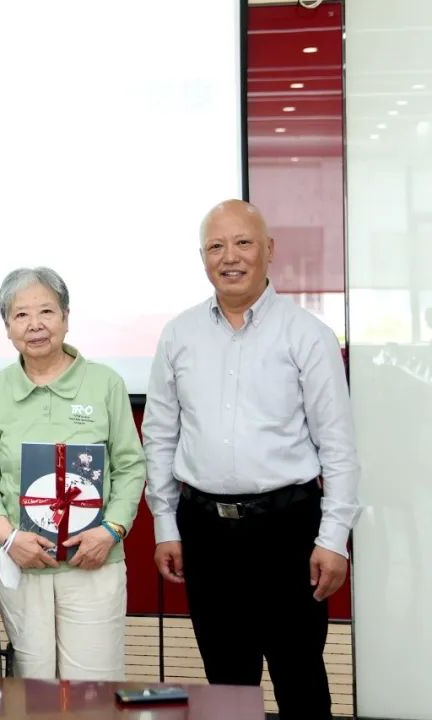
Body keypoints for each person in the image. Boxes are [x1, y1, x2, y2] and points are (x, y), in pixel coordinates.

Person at [142, 199, 359, 720]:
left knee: (300, 680)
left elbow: (338, 445)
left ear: (269, 250)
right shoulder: (179, 334)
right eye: (216, 246)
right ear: (202, 257)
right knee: (226, 685)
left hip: (288, 530)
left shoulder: (307, 334)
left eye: (243, 243)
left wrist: (334, 539)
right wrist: (165, 526)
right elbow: (160, 435)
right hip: (204, 532)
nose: (230, 256)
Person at [0, 267, 146, 680]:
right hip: (21, 559)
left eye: (46, 311)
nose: (35, 324)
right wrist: (9, 538)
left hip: (93, 559)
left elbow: (130, 465)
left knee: (93, 686)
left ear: (66, 317)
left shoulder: (105, 383)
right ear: (7, 327)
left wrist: (111, 531)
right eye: (21, 315)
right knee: (34, 682)